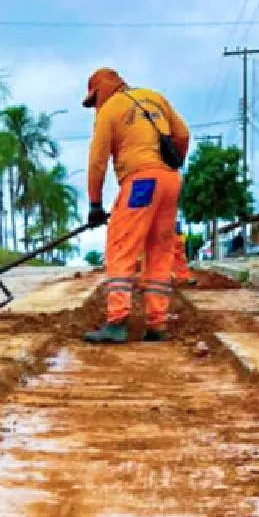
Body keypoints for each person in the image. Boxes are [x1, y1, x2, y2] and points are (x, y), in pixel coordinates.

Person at [80, 67, 190, 344]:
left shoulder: (110, 109)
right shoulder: (154, 97)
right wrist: (170, 163)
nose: (95, 107)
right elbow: (183, 135)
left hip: (141, 183)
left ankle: (117, 321)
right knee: (160, 249)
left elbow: (97, 161)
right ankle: (157, 324)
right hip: (171, 180)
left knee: (121, 247)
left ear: (100, 91)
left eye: (94, 101)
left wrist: (95, 202)